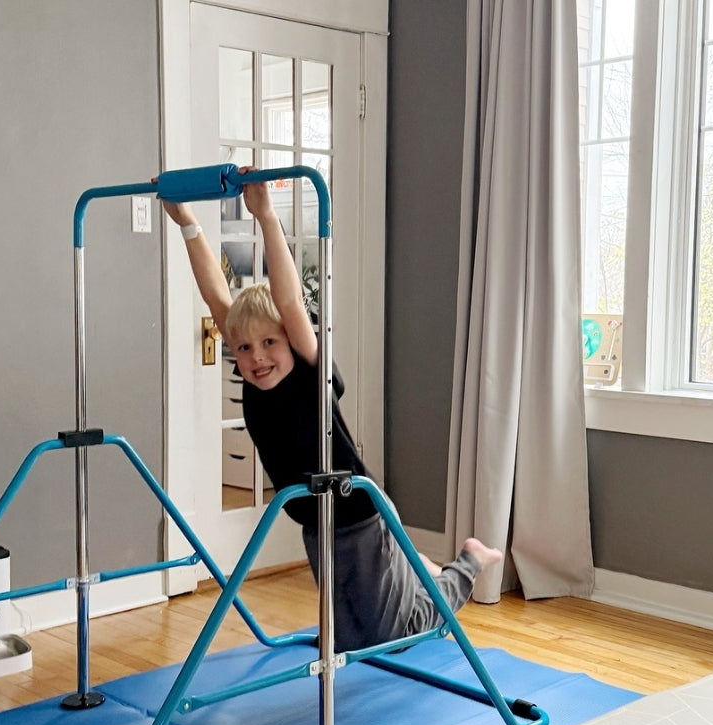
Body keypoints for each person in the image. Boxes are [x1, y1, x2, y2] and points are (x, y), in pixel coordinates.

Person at [160, 170, 502, 650]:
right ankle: (412, 563)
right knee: (348, 639)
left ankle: (466, 562)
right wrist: (188, 223)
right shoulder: (253, 376)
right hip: (316, 525)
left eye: (269, 342)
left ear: (292, 340)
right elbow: (219, 297)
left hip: (357, 516)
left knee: (393, 635)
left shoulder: (308, 372)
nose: (256, 357)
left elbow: (289, 301)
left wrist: (265, 216)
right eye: (244, 348)